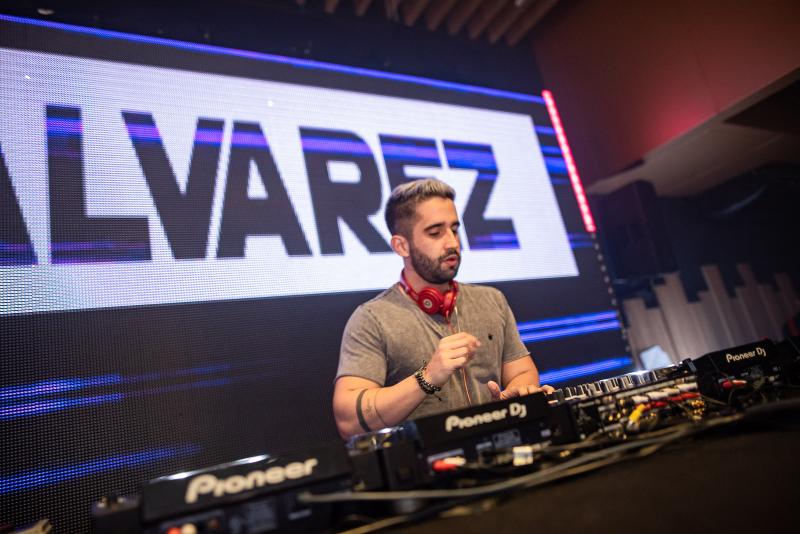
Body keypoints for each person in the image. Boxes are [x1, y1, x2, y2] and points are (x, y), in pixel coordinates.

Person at [333, 179, 552, 439]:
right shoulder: (372, 319)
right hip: (430, 460)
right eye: (435, 233)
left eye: (454, 230)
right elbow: (348, 420)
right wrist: (427, 377)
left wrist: (517, 394)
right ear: (401, 246)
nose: (453, 243)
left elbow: (523, 372)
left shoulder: (492, 300)